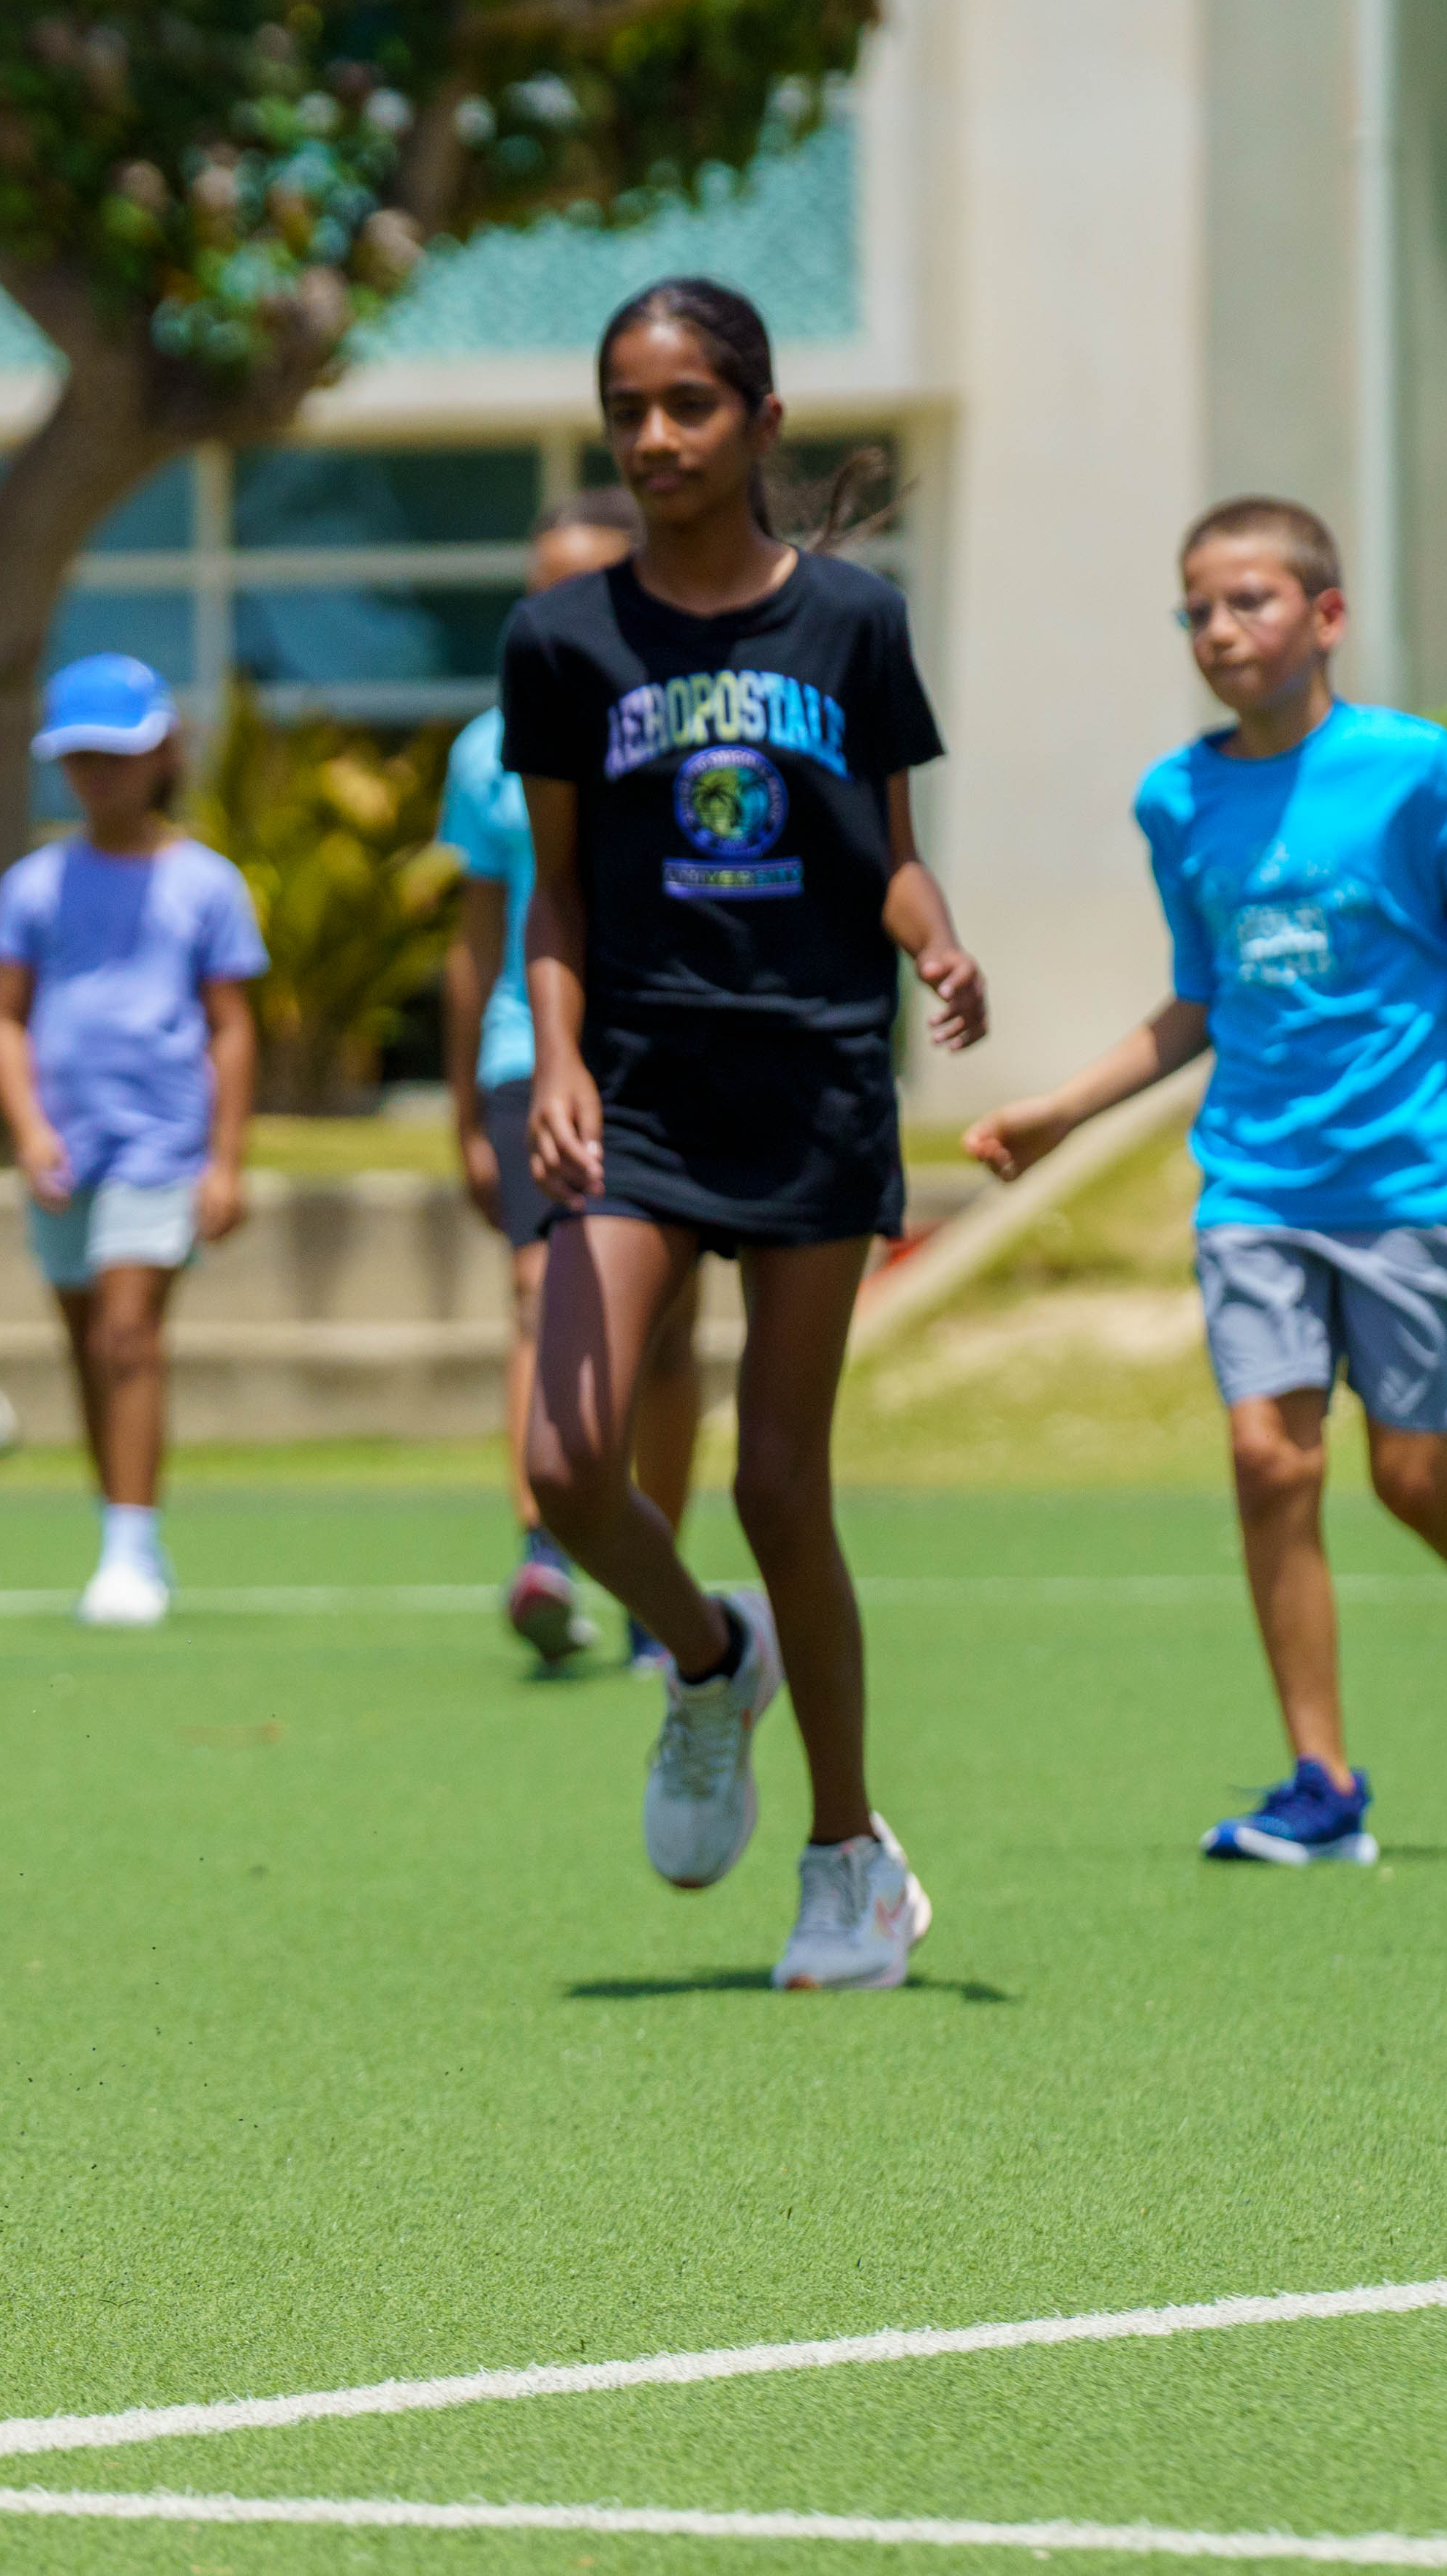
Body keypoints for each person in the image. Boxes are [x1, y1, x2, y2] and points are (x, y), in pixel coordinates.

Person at [964, 498, 1447, 1866]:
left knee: (1414, 1479)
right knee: (1265, 1459)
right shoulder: (1174, 798)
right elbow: (1199, 1002)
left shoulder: (1413, 771)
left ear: (1325, 617)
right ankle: (1322, 1784)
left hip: (1417, 1181)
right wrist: (1064, 1110)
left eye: (1248, 601)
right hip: (1251, 1181)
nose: (1219, 629)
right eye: (1196, 608)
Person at [500, 275, 989, 1992]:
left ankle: (852, 1857)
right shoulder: (565, 642)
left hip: (815, 1088)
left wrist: (934, 936)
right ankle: (711, 1658)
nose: (654, 437)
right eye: (628, 405)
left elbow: (889, 848)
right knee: (568, 1466)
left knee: (782, 1482)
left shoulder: (851, 621)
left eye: (689, 403)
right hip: (636, 1094)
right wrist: (555, 1058)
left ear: (761, 420)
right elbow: (556, 893)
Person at [439, 491, 697, 1671]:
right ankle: (543, 1545)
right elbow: (476, 934)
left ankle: (656, 1575)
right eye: (540, 586)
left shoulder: (685, 728)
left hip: (658, 1050)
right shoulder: (483, 750)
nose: (559, 608)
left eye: (585, 583)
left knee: (671, 1335)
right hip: (520, 1051)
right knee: (541, 1292)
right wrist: (463, 1110)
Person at [0, 655, 265, 1628]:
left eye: (117, 754)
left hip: (162, 1145)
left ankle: (130, 1551)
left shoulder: (207, 884)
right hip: (64, 1150)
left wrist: (225, 1162)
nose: (99, 774)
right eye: (81, 758)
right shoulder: (32, 883)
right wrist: (26, 1127)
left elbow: (230, 1025)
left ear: (163, 754)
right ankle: (121, 1532)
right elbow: (2, 1018)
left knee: (128, 1332)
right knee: (86, 1345)